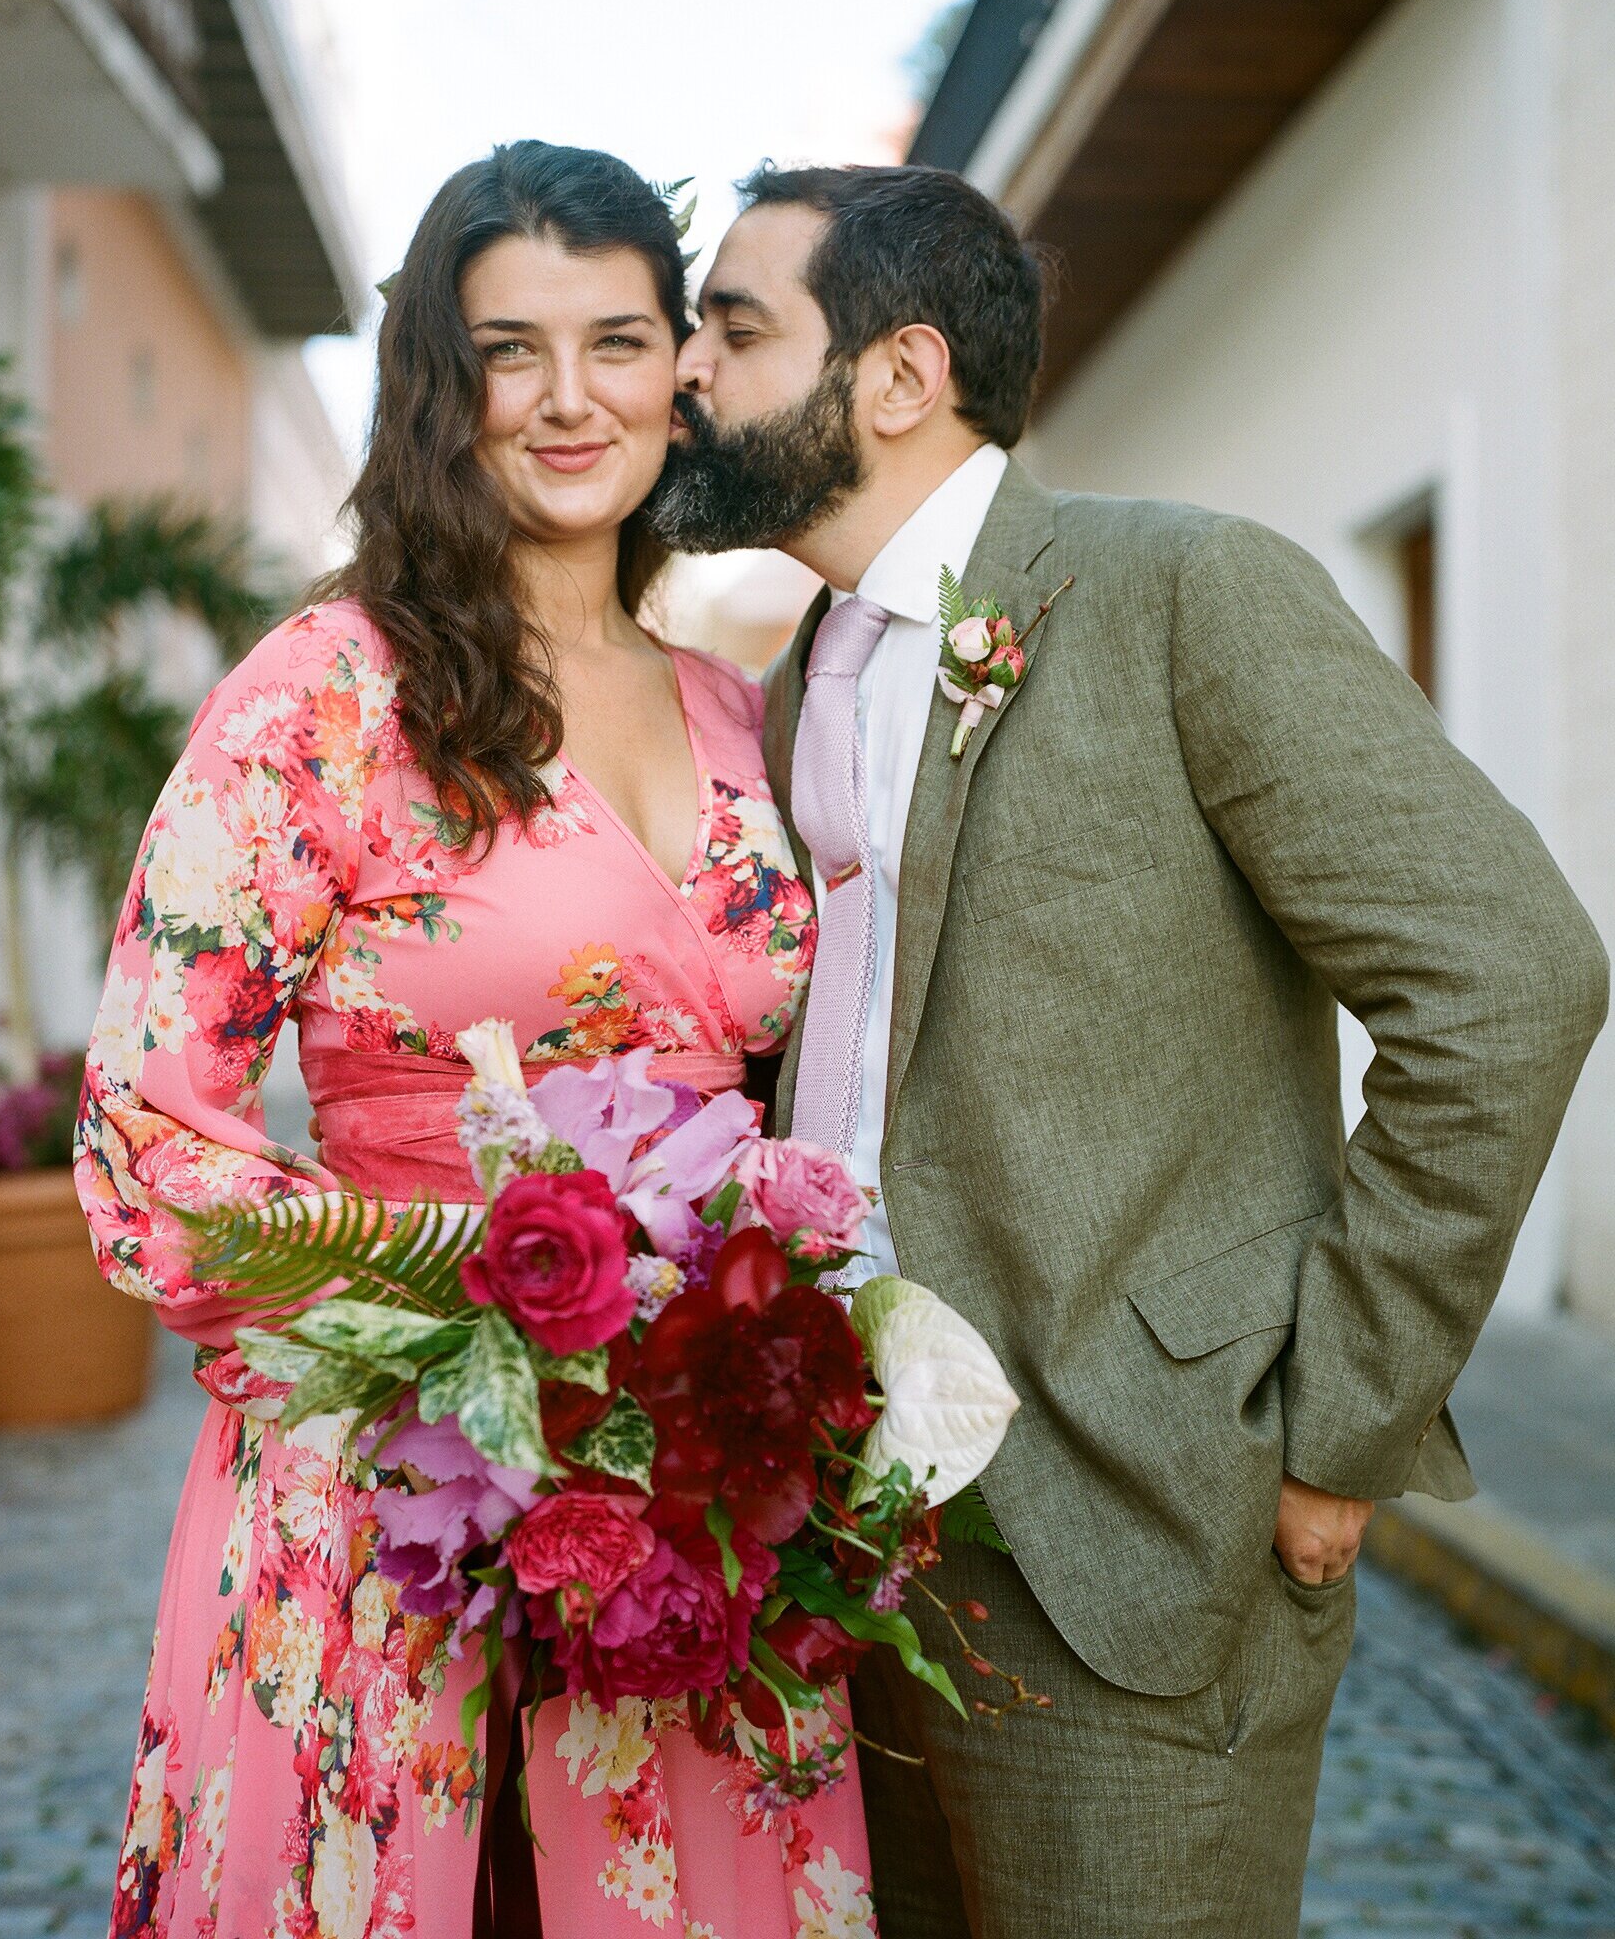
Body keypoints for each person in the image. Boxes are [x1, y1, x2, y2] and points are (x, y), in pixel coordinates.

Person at [646, 160, 1611, 1937]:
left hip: (1139, 1528)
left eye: (734, 325)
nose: (684, 372)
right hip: (855, 1546)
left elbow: (1508, 978)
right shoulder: (796, 683)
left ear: (899, 373)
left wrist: (1339, 1427)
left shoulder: (1184, 596)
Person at [74, 141, 872, 1939]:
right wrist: (448, 1289)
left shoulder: (747, 712)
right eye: (515, 351)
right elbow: (146, 1132)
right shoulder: (326, 699)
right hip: (389, 1475)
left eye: (616, 339)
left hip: (688, 1504)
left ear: (683, 366)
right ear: (446, 384)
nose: (571, 398)